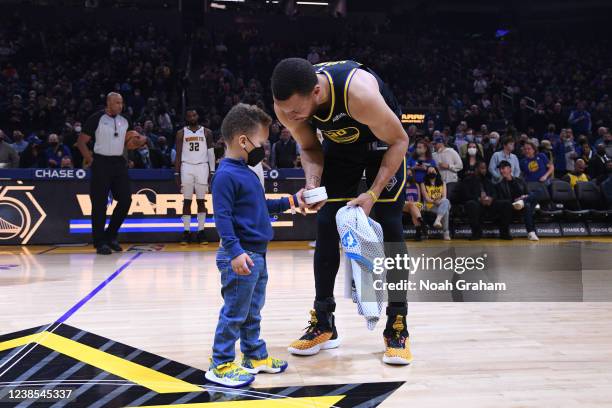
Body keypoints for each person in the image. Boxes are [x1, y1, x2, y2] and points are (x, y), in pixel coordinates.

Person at [272, 58, 412, 365]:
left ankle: (397, 324)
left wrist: (373, 193)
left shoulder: (358, 94)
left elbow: (401, 140)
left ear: (318, 91)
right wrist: (312, 184)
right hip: (342, 147)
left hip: (384, 143)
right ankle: (324, 322)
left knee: (389, 226)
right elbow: (310, 148)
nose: (290, 117)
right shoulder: (286, 106)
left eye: (296, 111)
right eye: (286, 112)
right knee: (325, 222)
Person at [207, 103, 305, 387]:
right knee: (235, 312)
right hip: (241, 255)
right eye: (261, 142)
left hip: (257, 255)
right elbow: (222, 218)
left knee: (252, 310)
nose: (264, 148)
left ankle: (254, 356)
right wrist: (235, 252)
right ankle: (221, 363)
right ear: (242, 141)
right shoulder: (226, 175)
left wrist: (292, 201)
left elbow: (260, 206)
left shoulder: (246, 171)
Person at [77, 92, 144, 255]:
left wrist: (136, 144)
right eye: (117, 103)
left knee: (126, 200)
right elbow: (81, 142)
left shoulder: (126, 120)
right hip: (101, 162)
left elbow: (128, 143)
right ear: (108, 103)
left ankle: (111, 235)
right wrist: (90, 160)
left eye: (121, 103)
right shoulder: (97, 118)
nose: (120, 106)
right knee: (99, 204)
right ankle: (100, 242)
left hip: (119, 163)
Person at [174, 108, 215, 245]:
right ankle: (186, 231)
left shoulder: (206, 132)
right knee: (186, 201)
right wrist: (176, 172)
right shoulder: (181, 133)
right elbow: (178, 153)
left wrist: (213, 170)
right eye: (189, 116)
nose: (192, 117)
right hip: (186, 166)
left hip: (202, 166)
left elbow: (211, 152)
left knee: (201, 201)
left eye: (194, 115)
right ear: (186, 118)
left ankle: (201, 231)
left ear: (198, 116)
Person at [458, 161, 513, 240]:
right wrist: (479, 199)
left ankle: (504, 233)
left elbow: (494, 193)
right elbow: (465, 195)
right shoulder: (468, 181)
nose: (484, 171)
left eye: (485, 169)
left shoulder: (487, 181)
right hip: (477, 204)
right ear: (476, 169)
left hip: (489, 205)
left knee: (506, 203)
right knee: (471, 204)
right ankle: (476, 233)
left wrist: (491, 198)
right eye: (482, 168)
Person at [496, 161, 539, 241]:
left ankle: (522, 202)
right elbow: (502, 201)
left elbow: (527, 193)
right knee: (527, 205)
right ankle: (531, 232)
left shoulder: (520, 181)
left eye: (503, 168)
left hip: (523, 204)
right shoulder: (499, 185)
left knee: (535, 195)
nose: (501, 171)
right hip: (511, 207)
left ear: (509, 169)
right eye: (500, 169)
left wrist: (524, 197)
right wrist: (515, 200)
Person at [421, 166, 451, 240]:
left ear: (437, 172)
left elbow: (444, 196)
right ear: (427, 173)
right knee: (446, 210)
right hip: (430, 206)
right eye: (429, 171)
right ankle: (446, 233)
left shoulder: (442, 183)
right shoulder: (423, 184)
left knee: (446, 201)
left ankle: (438, 220)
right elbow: (427, 199)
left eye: (433, 171)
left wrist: (439, 201)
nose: (431, 172)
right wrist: (435, 201)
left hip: (441, 203)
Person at [403, 168, 426, 241]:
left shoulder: (416, 184)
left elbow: (419, 198)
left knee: (413, 208)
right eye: (407, 174)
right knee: (412, 206)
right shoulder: (402, 185)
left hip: (415, 204)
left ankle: (418, 233)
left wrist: (417, 203)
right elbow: (401, 199)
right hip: (404, 204)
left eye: (410, 174)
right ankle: (420, 222)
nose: (409, 175)